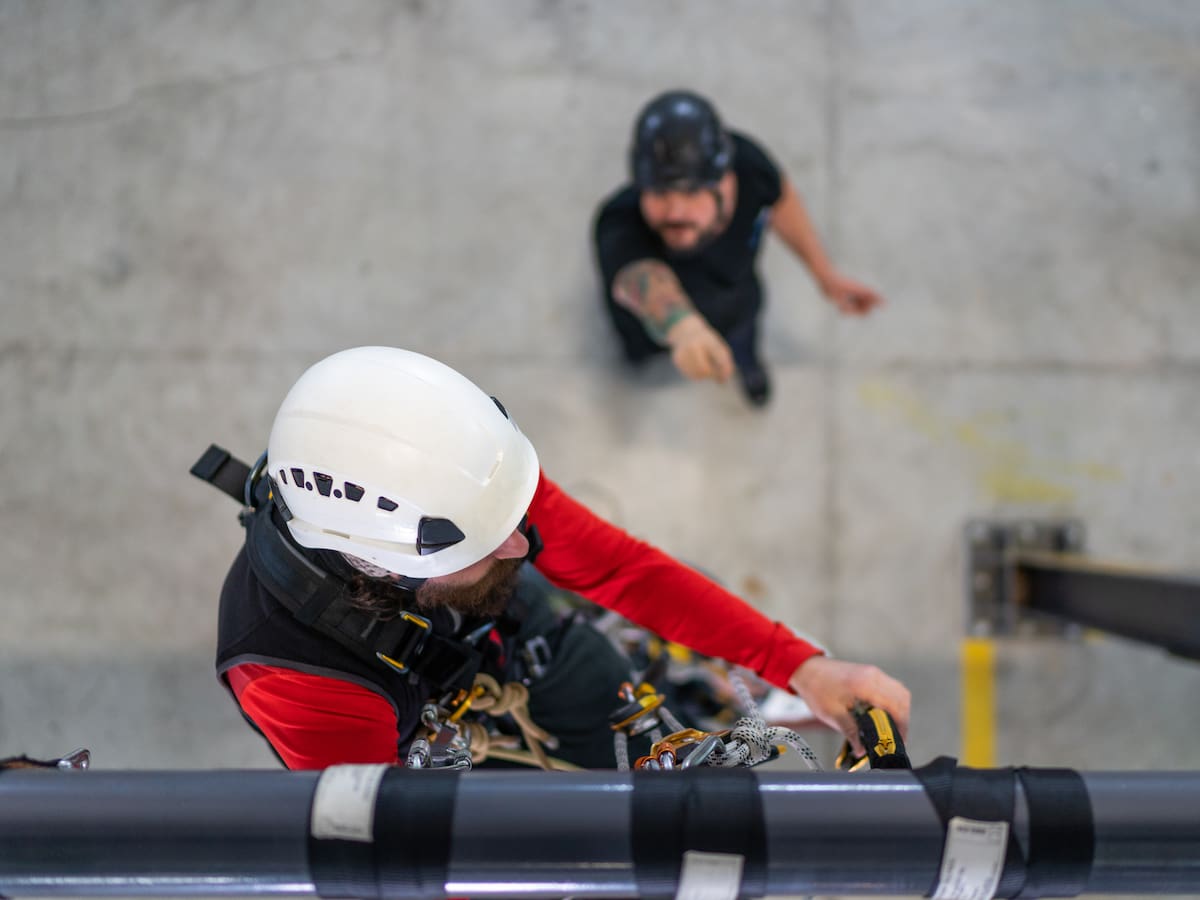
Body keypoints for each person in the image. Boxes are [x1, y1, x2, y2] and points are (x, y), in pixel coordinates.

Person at [206, 346, 909, 769]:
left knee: (661, 746)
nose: (524, 544)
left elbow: (620, 571)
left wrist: (801, 664)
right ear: (386, 567)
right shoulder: (295, 679)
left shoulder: (465, 483)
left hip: (507, 646)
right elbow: (396, 854)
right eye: (489, 543)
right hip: (425, 747)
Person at [593, 89, 883, 406]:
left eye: (691, 192)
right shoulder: (618, 220)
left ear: (724, 180)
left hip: (738, 308)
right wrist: (685, 329)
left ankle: (749, 370)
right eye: (659, 193)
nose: (675, 212)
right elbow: (639, 275)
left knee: (744, 346)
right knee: (642, 361)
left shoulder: (749, 166)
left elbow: (781, 203)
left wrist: (824, 274)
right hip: (651, 330)